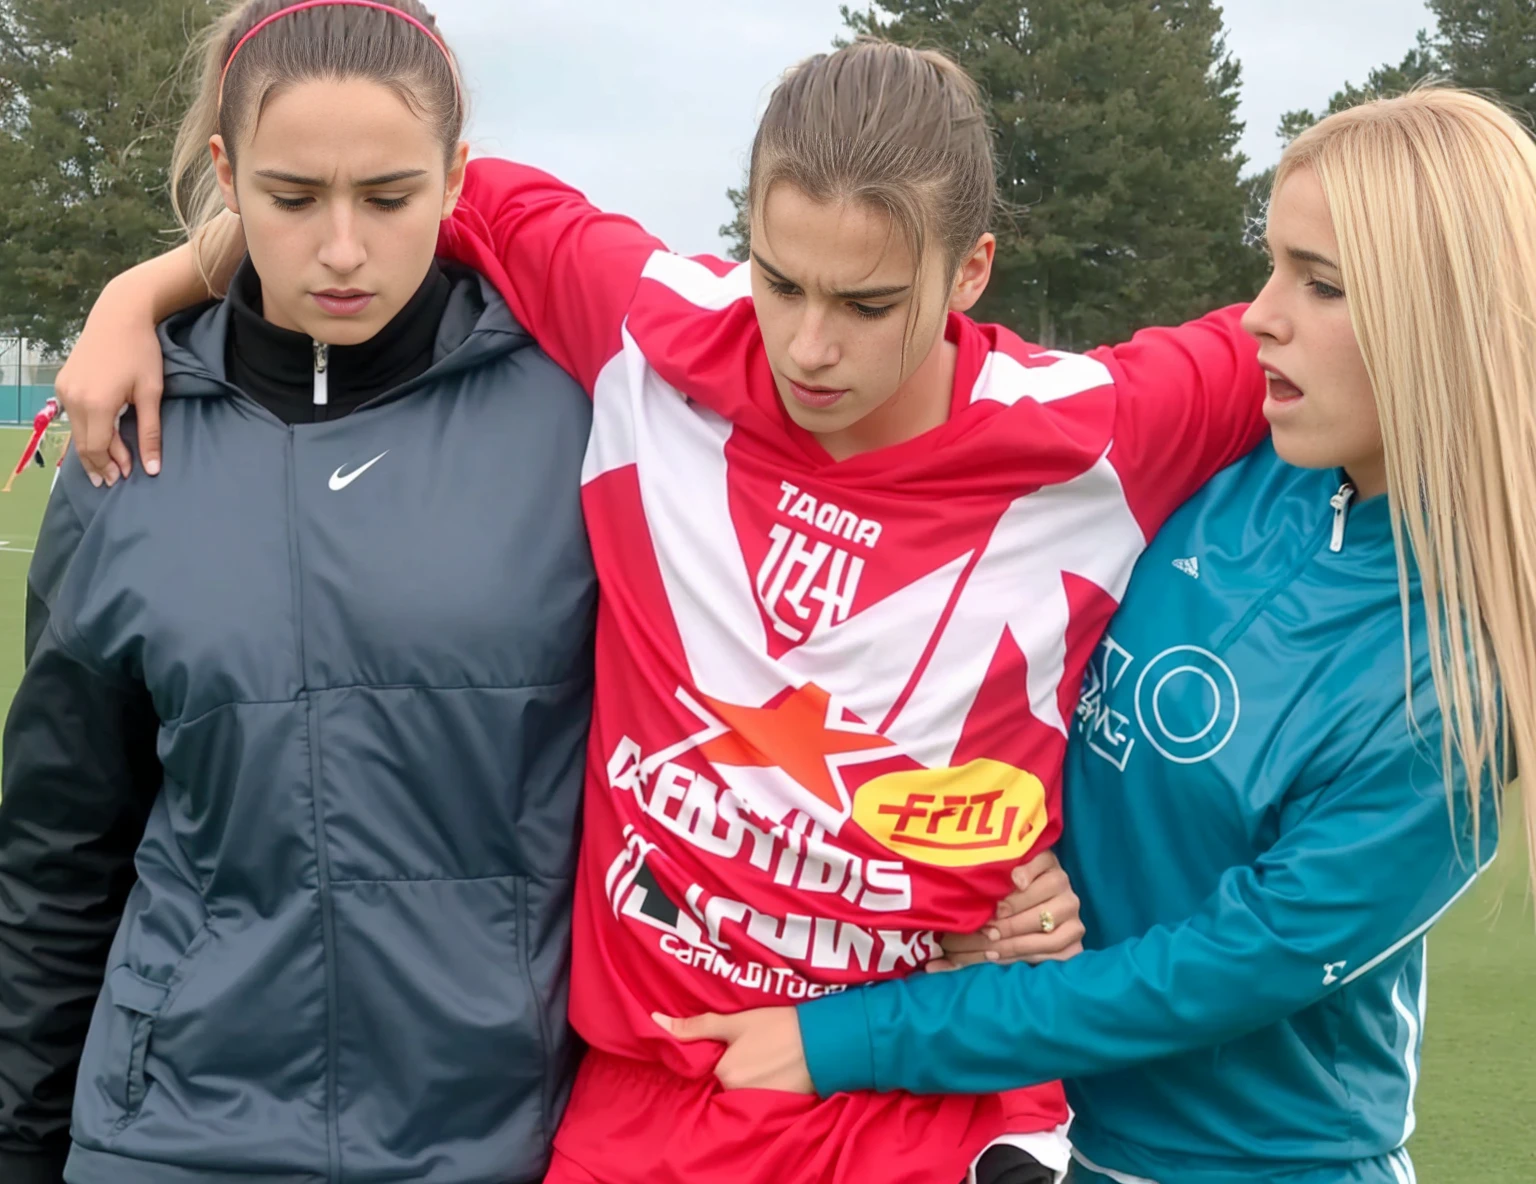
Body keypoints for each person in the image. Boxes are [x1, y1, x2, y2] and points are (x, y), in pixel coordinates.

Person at [50, 38, 1272, 1184]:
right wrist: (138, 293)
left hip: (932, 1093)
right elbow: (365, 192)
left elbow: (1352, 312)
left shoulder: (1102, 424)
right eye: (780, 280)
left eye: (866, 303)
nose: (808, 345)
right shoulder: (647, 325)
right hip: (648, 1097)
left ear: (972, 272)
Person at [679, 88, 1533, 1184]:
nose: (1259, 315)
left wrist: (846, 1038)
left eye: (1319, 283)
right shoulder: (1232, 475)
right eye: (1270, 262)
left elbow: (1209, 973)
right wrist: (1004, 879)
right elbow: (1034, 690)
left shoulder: (1454, 682)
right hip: (1052, 1139)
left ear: (1447, 319)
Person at [0, 3, 597, 1183]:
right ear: (226, 178)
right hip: (166, 1135)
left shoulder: (581, 416)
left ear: (456, 178)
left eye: (387, 198)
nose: (340, 249)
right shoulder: (124, 441)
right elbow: (61, 846)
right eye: (291, 198)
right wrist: (18, 1140)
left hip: (503, 1138)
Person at [4, 396, 61, 491]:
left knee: (31, 451)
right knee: (27, 455)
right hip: (41, 423)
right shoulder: (50, 411)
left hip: (42, 422)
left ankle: (38, 454)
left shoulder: (52, 407)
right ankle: (9, 483)